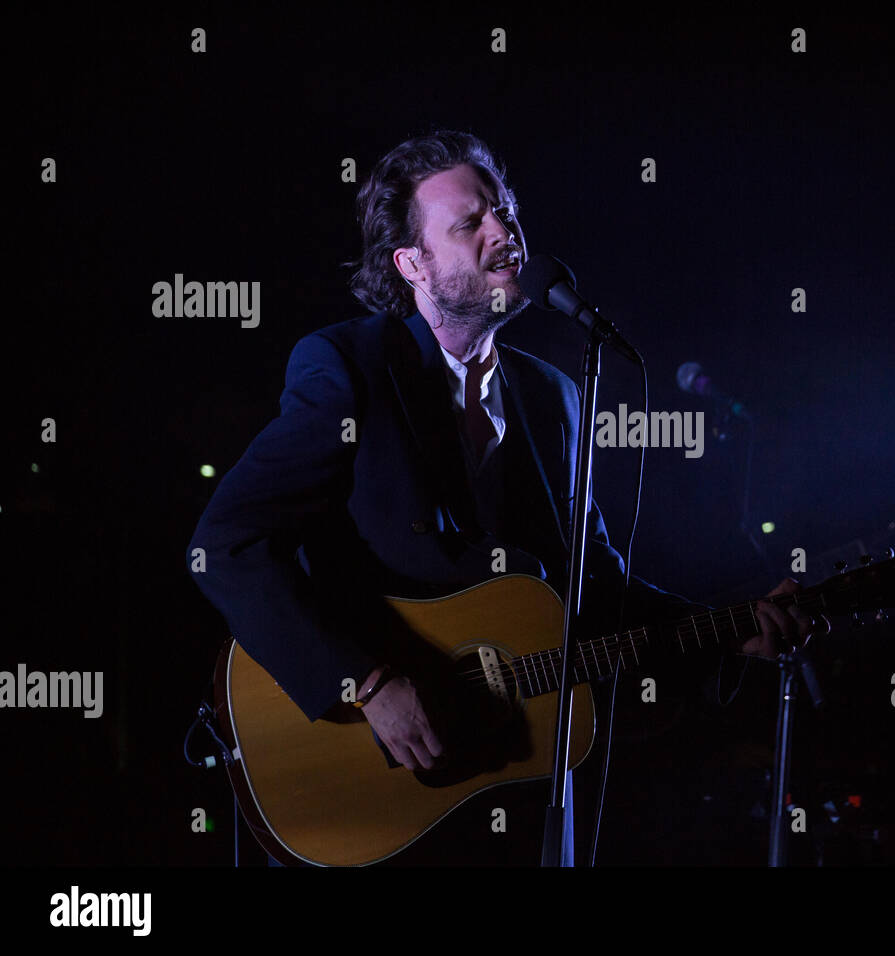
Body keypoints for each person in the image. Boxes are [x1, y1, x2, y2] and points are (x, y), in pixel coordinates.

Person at [187, 129, 810, 864]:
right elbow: (224, 544)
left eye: (506, 213)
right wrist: (368, 682)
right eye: (470, 222)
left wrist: (725, 630)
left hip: (515, 792)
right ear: (412, 263)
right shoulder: (348, 369)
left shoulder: (555, 398)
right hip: (377, 781)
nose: (503, 232)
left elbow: (596, 587)